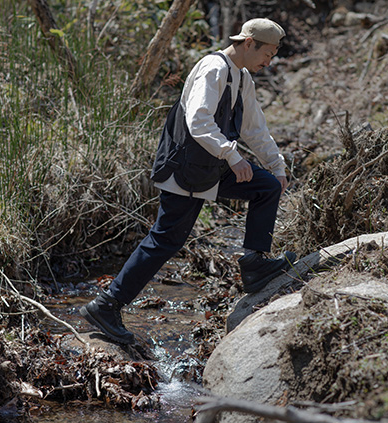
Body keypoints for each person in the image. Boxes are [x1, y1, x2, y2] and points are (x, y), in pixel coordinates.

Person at [80, 18, 296, 345]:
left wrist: (276, 166)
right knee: (165, 240)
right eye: (268, 52)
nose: (271, 60)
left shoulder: (243, 78)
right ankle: (106, 305)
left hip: (209, 168)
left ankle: (254, 263)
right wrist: (232, 156)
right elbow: (198, 121)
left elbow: (254, 129)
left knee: (266, 185)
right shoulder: (214, 68)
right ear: (249, 43)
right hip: (184, 168)